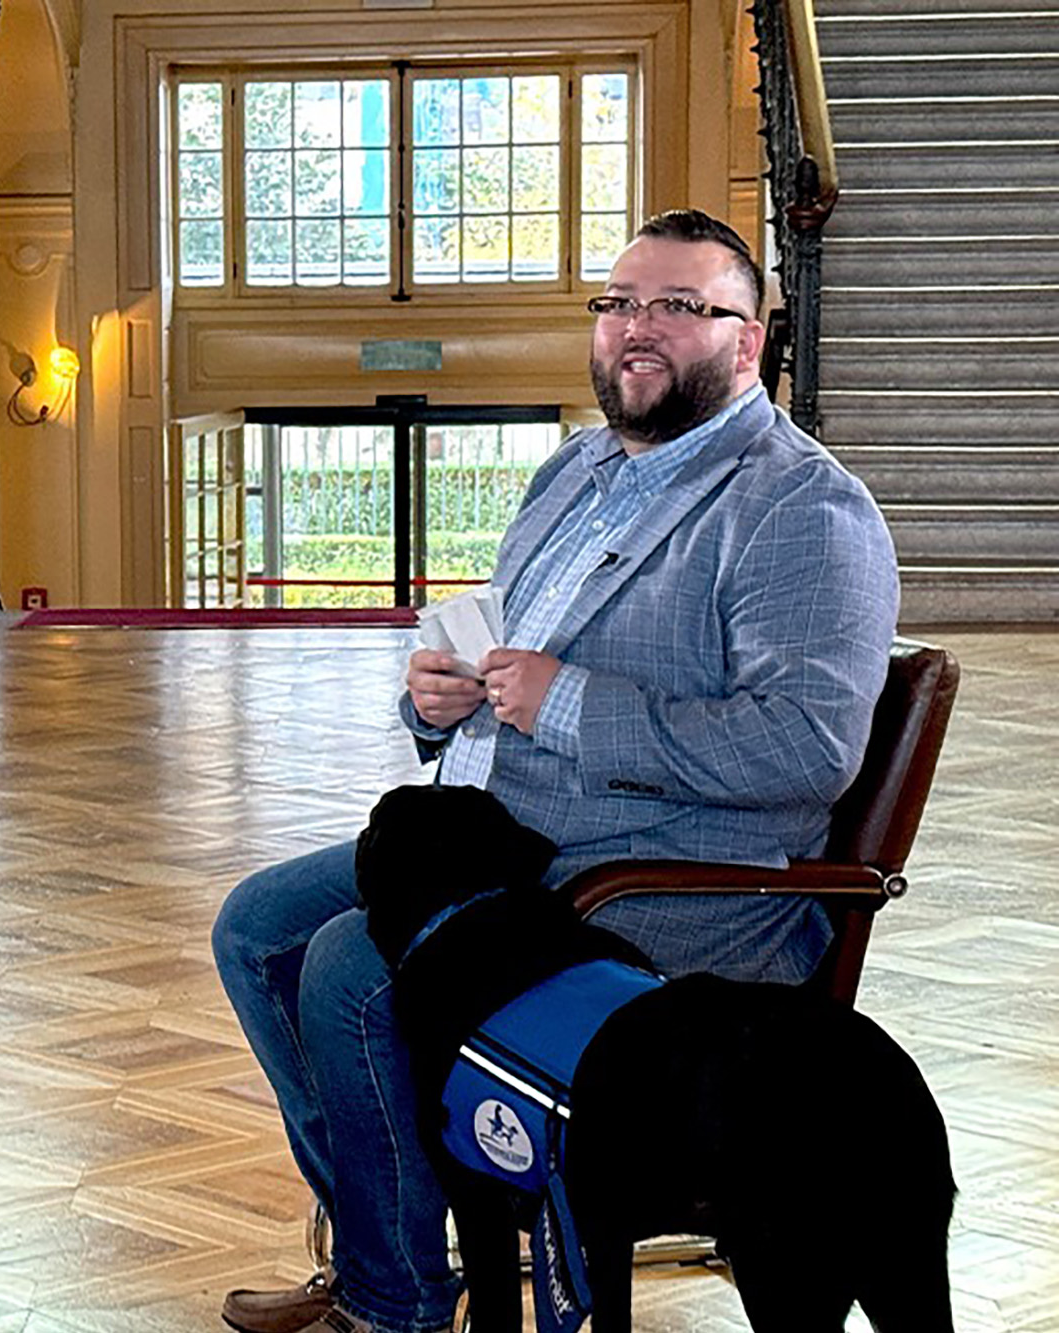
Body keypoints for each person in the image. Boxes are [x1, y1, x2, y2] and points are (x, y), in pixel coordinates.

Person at [210, 211, 899, 1333]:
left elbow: (801, 752)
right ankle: (388, 1242)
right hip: (517, 831)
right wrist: (437, 700)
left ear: (751, 337)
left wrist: (566, 702)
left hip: (667, 877)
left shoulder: (799, 510)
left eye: (681, 306)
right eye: (620, 302)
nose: (638, 328)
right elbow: (509, 666)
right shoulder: (575, 469)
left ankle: (395, 1305)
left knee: (348, 965)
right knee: (257, 928)